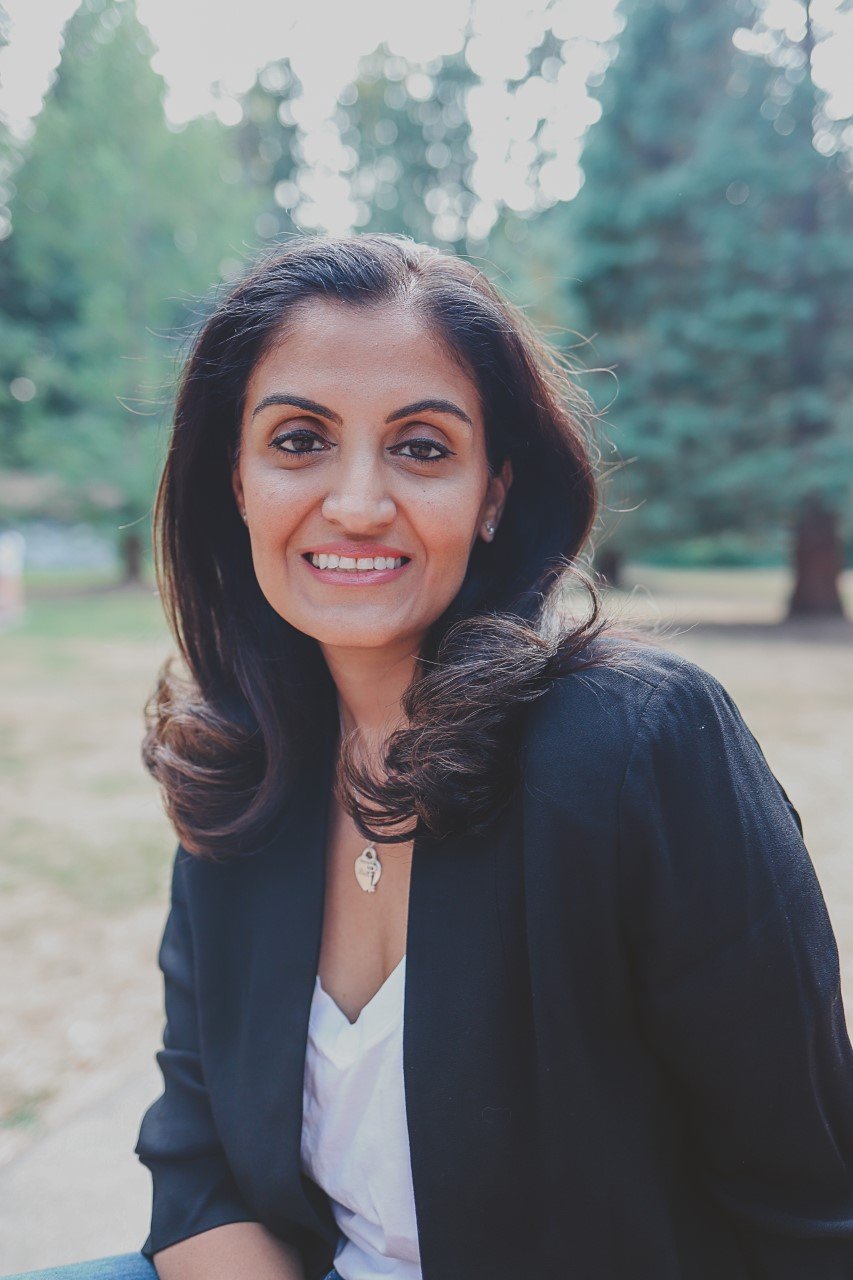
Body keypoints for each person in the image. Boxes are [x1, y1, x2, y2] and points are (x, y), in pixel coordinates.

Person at [9, 233, 851, 1280]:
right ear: (233, 478)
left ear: (493, 490)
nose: (357, 502)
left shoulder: (641, 747)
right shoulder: (241, 766)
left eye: (420, 447)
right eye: (298, 440)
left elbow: (811, 1205)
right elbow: (199, 1164)